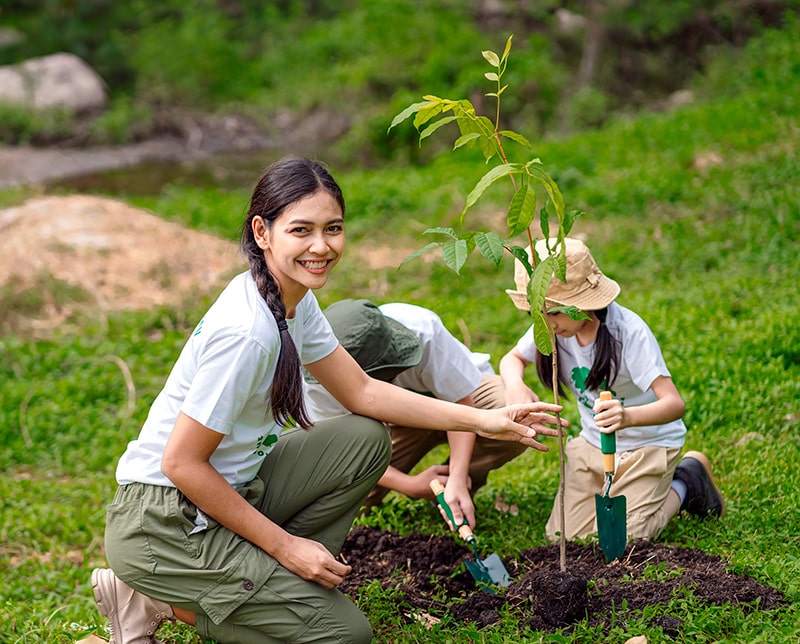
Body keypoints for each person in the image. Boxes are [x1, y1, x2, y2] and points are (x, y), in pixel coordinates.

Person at [89, 156, 567, 644]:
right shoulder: (248, 334)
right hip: (164, 524)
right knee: (346, 636)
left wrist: (483, 420)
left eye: (333, 228)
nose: (321, 246)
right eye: (301, 230)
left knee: (361, 438)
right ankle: (154, 601)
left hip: (229, 489)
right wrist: (286, 547)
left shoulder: (294, 301)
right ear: (263, 232)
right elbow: (181, 464)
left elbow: (362, 392)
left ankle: (279, 588)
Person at [499, 237, 724, 544]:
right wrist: (515, 386)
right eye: (537, 315)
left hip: (647, 447)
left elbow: (674, 404)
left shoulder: (628, 333)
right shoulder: (552, 325)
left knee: (626, 537)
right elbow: (511, 358)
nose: (546, 325)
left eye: (553, 314)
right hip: (593, 445)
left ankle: (686, 482)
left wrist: (627, 417)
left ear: (583, 304)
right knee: (562, 536)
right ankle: (621, 492)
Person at [303, 299, 528, 528]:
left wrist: (458, 478)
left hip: (459, 405)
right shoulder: (317, 378)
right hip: (383, 427)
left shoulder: (421, 328)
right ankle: (434, 488)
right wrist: (409, 484)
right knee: (345, 499)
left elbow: (462, 402)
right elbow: (344, 452)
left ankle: (455, 487)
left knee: (512, 417)